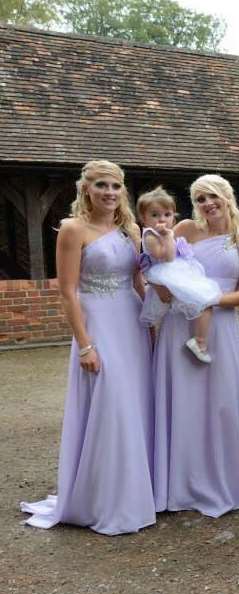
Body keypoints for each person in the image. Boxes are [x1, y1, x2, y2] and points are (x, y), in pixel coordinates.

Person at [20, 160, 156, 535]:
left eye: (115, 186)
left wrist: (152, 321)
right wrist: (84, 345)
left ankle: (139, 488)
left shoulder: (130, 229)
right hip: (97, 323)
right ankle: (107, 498)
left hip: (131, 321)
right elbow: (67, 292)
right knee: (111, 405)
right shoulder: (72, 229)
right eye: (101, 186)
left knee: (136, 403)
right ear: (86, 189)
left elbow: (139, 281)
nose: (109, 193)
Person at [152, 174, 239, 517]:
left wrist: (204, 299)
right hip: (179, 325)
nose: (208, 204)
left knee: (220, 402)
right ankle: (179, 482)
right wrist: (166, 290)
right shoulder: (186, 230)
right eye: (201, 198)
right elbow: (159, 263)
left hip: (219, 326)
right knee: (183, 400)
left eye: (213, 196)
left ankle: (221, 477)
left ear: (227, 196)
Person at [136, 186, 221, 362]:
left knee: (204, 301)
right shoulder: (151, 235)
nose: (162, 219)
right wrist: (168, 236)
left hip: (175, 271)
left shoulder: (166, 233)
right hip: (165, 273)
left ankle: (199, 339)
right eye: (155, 215)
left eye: (167, 215)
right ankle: (199, 341)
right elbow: (167, 257)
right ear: (144, 218)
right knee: (203, 299)